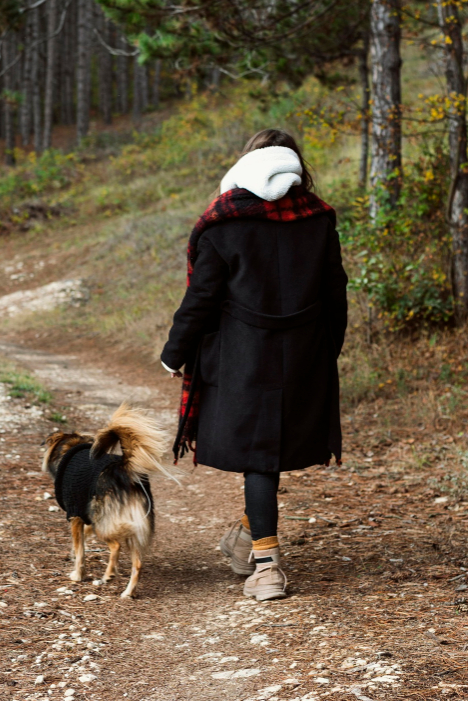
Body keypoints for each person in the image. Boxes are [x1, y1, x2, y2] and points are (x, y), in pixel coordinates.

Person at [160, 128, 348, 601]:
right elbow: (335, 293)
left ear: (247, 163)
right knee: (269, 452)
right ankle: (247, 538)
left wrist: (175, 352)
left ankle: (267, 568)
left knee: (259, 458)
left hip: (242, 359)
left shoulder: (222, 222)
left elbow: (202, 297)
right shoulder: (318, 219)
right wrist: (328, 349)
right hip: (304, 354)